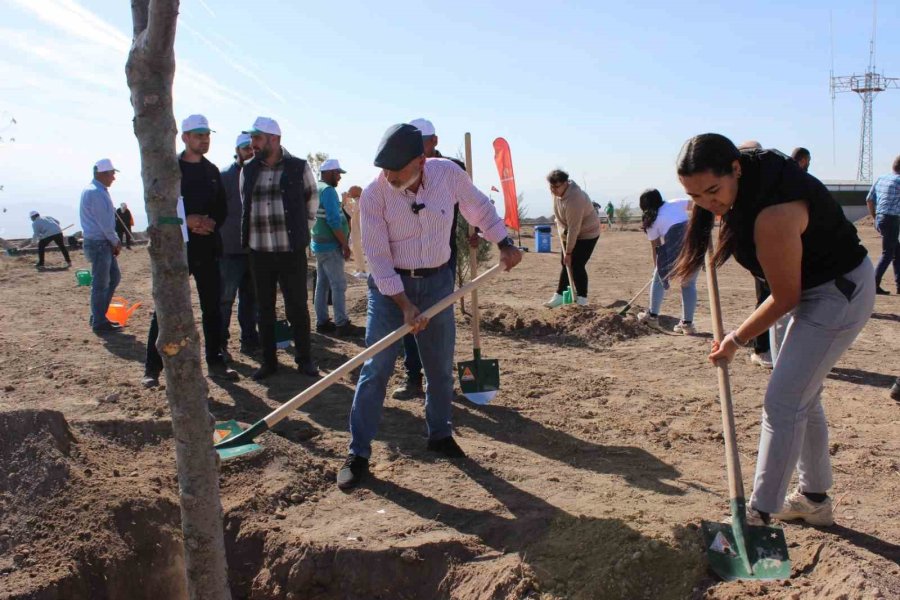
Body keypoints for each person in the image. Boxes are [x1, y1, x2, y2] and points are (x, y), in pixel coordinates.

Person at [673, 133, 874, 527]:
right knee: (802, 396)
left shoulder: (775, 215)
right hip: (805, 288)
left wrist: (734, 339)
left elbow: (784, 296)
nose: (708, 204)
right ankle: (814, 500)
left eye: (713, 191)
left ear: (735, 170)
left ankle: (758, 515)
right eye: (695, 196)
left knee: (783, 402)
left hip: (837, 293)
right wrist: (710, 207)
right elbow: (747, 144)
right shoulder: (741, 168)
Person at [337, 123, 522, 490]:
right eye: (385, 169)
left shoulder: (447, 175)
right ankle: (358, 453)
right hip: (392, 292)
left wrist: (503, 242)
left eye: (396, 170)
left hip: (438, 284)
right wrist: (404, 304)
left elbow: (479, 209)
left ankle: (440, 434)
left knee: (439, 367)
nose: (388, 176)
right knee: (376, 368)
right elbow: (378, 259)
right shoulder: (376, 195)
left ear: (421, 161)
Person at [143, 114, 238, 387]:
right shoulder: (169, 169)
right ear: (185, 137)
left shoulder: (211, 172)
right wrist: (186, 221)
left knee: (213, 308)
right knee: (166, 307)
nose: (204, 139)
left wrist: (209, 222)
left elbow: (221, 208)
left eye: (207, 135)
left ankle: (217, 362)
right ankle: (152, 368)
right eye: (198, 135)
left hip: (208, 249)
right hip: (176, 251)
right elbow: (159, 207)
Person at [390, 118, 467, 401]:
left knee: (440, 321)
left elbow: (470, 201)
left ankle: (440, 380)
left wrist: (474, 230)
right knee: (410, 320)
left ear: (433, 142)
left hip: (442, 258)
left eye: (420, 142)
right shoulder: (400, 169)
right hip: (407, 261)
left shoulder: (451, 169)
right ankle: (413, 377)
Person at [240, 116, 319, 381]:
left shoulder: (298, 167)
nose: (253, 143)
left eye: (257, 138)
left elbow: (312, 201)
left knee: (297, 306)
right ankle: (269, 361)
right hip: (259, 252)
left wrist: (301, 232)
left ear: (274, 139)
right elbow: (245, 205)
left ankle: (305, 359)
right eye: (252, 138)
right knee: (264, 308)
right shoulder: (248, 170)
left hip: (290, 251)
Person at [218, 133, 259, 359]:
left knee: (250, 299)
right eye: (245, 148)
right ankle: (220, 345)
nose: (250, 151)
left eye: (252, 147)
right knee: (225, 299)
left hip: (252, 250)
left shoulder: (259, 174)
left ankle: (249, 340)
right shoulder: (225, 176)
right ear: (237, 150)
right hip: (229, 250)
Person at [635, 189, 697, 334]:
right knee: (688, 284)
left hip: (677, 245)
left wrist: (657, 268)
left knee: (657, 279)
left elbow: (656, 248)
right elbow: (697, 205)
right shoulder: (675, 203)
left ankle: (652, 316)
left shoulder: (651, 220)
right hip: (695, 242)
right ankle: (687, 324)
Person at [312, 158, 357, 337]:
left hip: (319, 244)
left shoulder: (317, 188)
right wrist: (344, 244)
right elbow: (333, 220)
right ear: (329, 172)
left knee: (322, 285)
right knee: (338, 285)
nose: (339, 177)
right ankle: (341, 323)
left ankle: (322, 322)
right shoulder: (329, 191)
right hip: (330, 246)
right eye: (337, 173)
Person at [543, 169, 600, 307]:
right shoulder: (556, 194)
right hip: (568, 231)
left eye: (556, 187)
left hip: (587, 233)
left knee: (576, 264)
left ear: (565, 184)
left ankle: (582, 299)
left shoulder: (575, 198)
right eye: (551, 187)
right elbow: (558, 212)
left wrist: (569, 252)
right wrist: (561, 227)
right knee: (565, 263)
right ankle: (560, 295)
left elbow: (575, 228)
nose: (553, 190)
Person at [79, 159, 123, 333]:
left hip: (100, 242)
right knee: (102, 283)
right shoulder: (95, 193)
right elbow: (104, 223)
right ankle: (99, 321)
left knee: (113, 278)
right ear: (102, 174)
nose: (113, 177)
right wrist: (115, 241)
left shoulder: (96, 190)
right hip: (99, 243)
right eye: (111, 173)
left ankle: (98, 315)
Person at [866, 155, 900, 295]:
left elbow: (869, 199)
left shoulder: (881, 178)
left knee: (897, 251)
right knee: (888, 253)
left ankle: (899, 284)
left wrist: (875, 217)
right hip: (892, 219)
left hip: (880, 218)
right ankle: (873, 284)